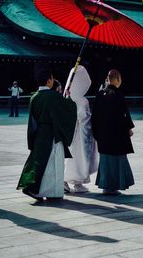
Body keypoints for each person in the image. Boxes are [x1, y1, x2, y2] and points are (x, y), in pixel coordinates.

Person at [17, 64, 77, 201]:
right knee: (53, 163)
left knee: (40, 163)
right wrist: (68, 97)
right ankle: (50, 191)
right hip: (52, 134)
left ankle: (35, 188)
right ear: (49, 80)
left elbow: (32, 120)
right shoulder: (53, 96)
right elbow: (69, 109)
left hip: (39, 134)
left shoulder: (34, 97)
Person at [92, 69, 135, 195]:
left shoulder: (100, 94)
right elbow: (124, 115)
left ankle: (106, 186)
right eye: (120, 79)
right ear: (116, 79)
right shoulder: (118, 95)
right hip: (116, 135)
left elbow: (94, 115)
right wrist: (129, 128)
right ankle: (114, 186)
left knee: (105, 160)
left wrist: (96, 132)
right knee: (117, 159)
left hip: (103, 135)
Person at [63, 65, 98, 193]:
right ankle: (75, 183)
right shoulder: (82, 101)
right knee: (80, 159)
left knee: (71, 159)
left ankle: (70, 182)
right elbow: (84, 118)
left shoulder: (67, 97)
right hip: (80, 136)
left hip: (70, 135)